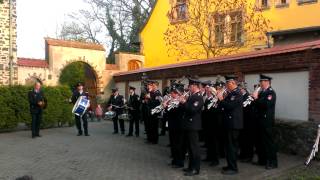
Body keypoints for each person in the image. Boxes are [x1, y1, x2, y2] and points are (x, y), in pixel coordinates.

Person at [217, 75, 243, 175]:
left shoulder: (237, 93)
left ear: (232, 83)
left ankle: (233, 168)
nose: (226, 85)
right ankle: (230, 165)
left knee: (232, 147)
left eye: (227, 83)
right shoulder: (231, 93)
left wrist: (221, 99)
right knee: (228, 147)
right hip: (228, 124)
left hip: (234, 125)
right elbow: (223, 106)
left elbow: (230, 106)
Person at [252, 74, 277, 170]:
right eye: (260, 81)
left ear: (267, 82)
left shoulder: (271, 93)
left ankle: (272, 162)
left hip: (267, 122)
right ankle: (262, 160)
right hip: (260, 120)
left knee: (269, 143)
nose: (260, 83)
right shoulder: (262, 92)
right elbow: (256, 105)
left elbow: (266, 105)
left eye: (262, 81)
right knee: (260, 142)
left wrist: (256, 98)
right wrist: (255, 99)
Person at [180, 77, 204, 176]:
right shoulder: (192, 96)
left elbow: (192, 110)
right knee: (190, 148)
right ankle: (190, 167)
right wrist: (182, 102)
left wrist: (184, 102)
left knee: (194, 148)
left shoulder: (198, 97)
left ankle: (195, 169)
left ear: (194, 86)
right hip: (189, 125)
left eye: (190, 86)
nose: (188, 88)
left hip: (193, 125)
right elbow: (186, 109)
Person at [164, 82, 185, 168]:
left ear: (176, 93)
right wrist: (166, 106)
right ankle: (174, 160)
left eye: (172, 92)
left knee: (178, 145)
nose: (170, 94)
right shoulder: (172, 100)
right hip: (172, 125)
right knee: (173, 144)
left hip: (178, 126)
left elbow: (176, 112)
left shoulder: (180, 101)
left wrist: (166, 107)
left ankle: (179, 162)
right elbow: (169, 112)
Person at [145, 80, 162, 144]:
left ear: (157, 86)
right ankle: (150, 139)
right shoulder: (152, 93)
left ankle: (155, 140)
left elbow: (157, 103)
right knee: (150, 126)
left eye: (153, 85)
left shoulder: (158, 93)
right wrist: (147, 100)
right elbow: (149, 102)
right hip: (150, 112)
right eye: (152, 85)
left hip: (155, 112)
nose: (152, 86)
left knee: (154, 127)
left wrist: (150, 98)